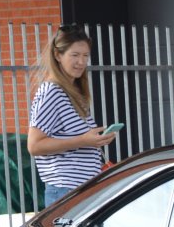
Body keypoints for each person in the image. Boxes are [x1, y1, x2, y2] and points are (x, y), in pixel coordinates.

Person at [27, 25, 113, 206]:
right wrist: (83, 140)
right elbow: (34, 145)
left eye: (85, 56)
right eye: (75, 55)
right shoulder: (51, 91)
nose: (81, 62)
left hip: (82, 190)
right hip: (66, 191)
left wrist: (94, 140)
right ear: (58, 55)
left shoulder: (72, 92)